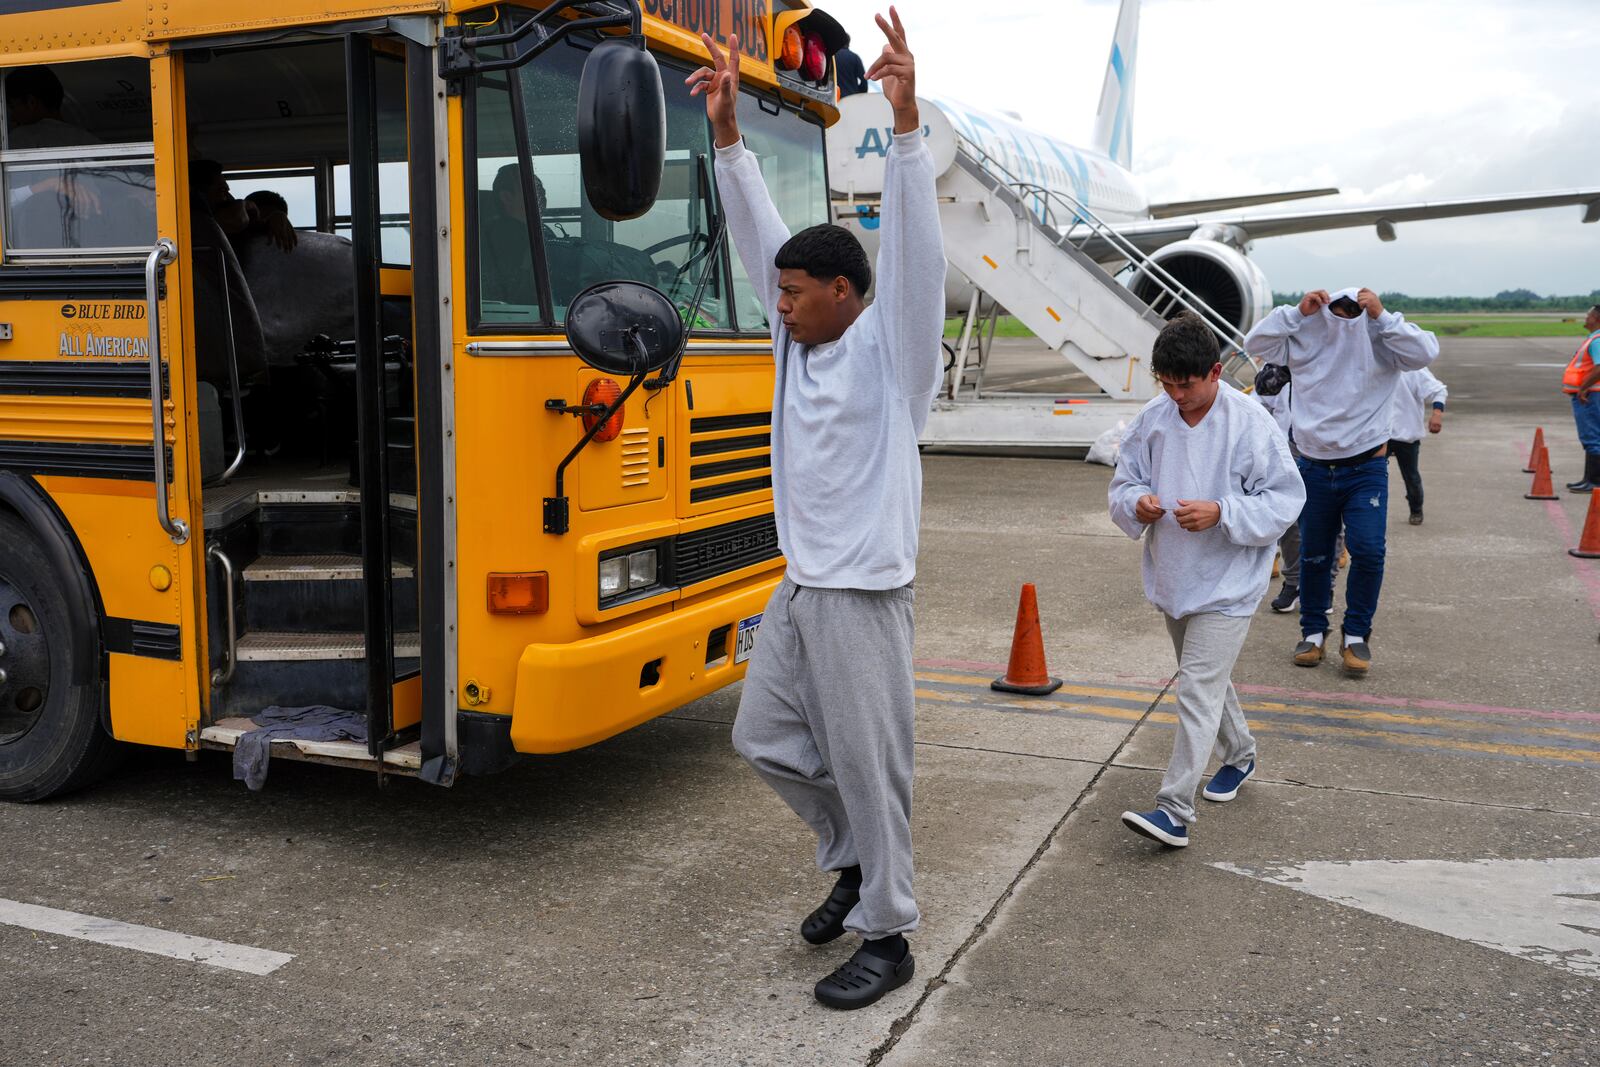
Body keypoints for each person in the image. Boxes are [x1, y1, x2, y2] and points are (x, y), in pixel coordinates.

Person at [689, 7, 943, 1010]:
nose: (778, 302)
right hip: (801, 587)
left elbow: (916, 257)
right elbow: (758, 239)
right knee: (762, 737)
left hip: (864, 596)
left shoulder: (894, 359)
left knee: (871, 768)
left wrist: (909, 123)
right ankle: (849, 859)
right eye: (780, 292)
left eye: (796, 291)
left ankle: (890, 931)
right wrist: (725, 134)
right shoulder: (796, 342)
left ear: (847, 291)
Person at [1108, 313, 1305, 848]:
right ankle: (1240, 754)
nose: (1175, 395)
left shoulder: (1250, 423)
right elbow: (1123, 485)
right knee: (1205, 680)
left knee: (1196, 686)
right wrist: (1137, 503)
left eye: (1186, 385)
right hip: (1175, 576)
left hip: (1230, 581)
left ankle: (1174, 809)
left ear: (1216, 372)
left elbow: (1286, 499)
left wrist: (1222, 512)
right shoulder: (1154, 419)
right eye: (1165, 384)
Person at [1244, 287, 1438, 676]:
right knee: (1315, 554)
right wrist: (1298, 312)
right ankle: (1313, 632)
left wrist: (1382, 316)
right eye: (1339, 308)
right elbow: (1255, 342)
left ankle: (1356, 636)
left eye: (1355, 308)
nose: (1346, 315)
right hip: (1313, 466)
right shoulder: (1306, 332)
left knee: (1368, 550)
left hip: (1365, 468)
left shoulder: (1382, 338)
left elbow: (1425, 352)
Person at [1256, 382, 1345, 614]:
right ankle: (1294, 582)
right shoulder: (1278, 366)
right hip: (1285, 450)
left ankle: (1326, 586)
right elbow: (1260, 402)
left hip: (1329, 450)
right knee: (1288, 519)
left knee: (1329, 521)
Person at [1387, 367, 1448, 524]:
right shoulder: (1374, 363)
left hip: (1407, 434)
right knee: (1370, 475)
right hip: (1379, 435)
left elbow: (1439, 391)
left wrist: (1437, 414)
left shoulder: (1413, 370)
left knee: (1411, 477)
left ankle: (1416, 509)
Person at [1562, 305, 1600, 493]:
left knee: (1592, 436)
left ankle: (1595, 481)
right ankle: (1589, 479)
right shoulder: (1594, 339)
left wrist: (1584, 388)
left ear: (1597, 318)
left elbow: (1599, 367)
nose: (1586, 318)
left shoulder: (1597, 340)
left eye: (1589, 315)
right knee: (1590, 436)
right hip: (1590, 393)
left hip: (1591, 394)